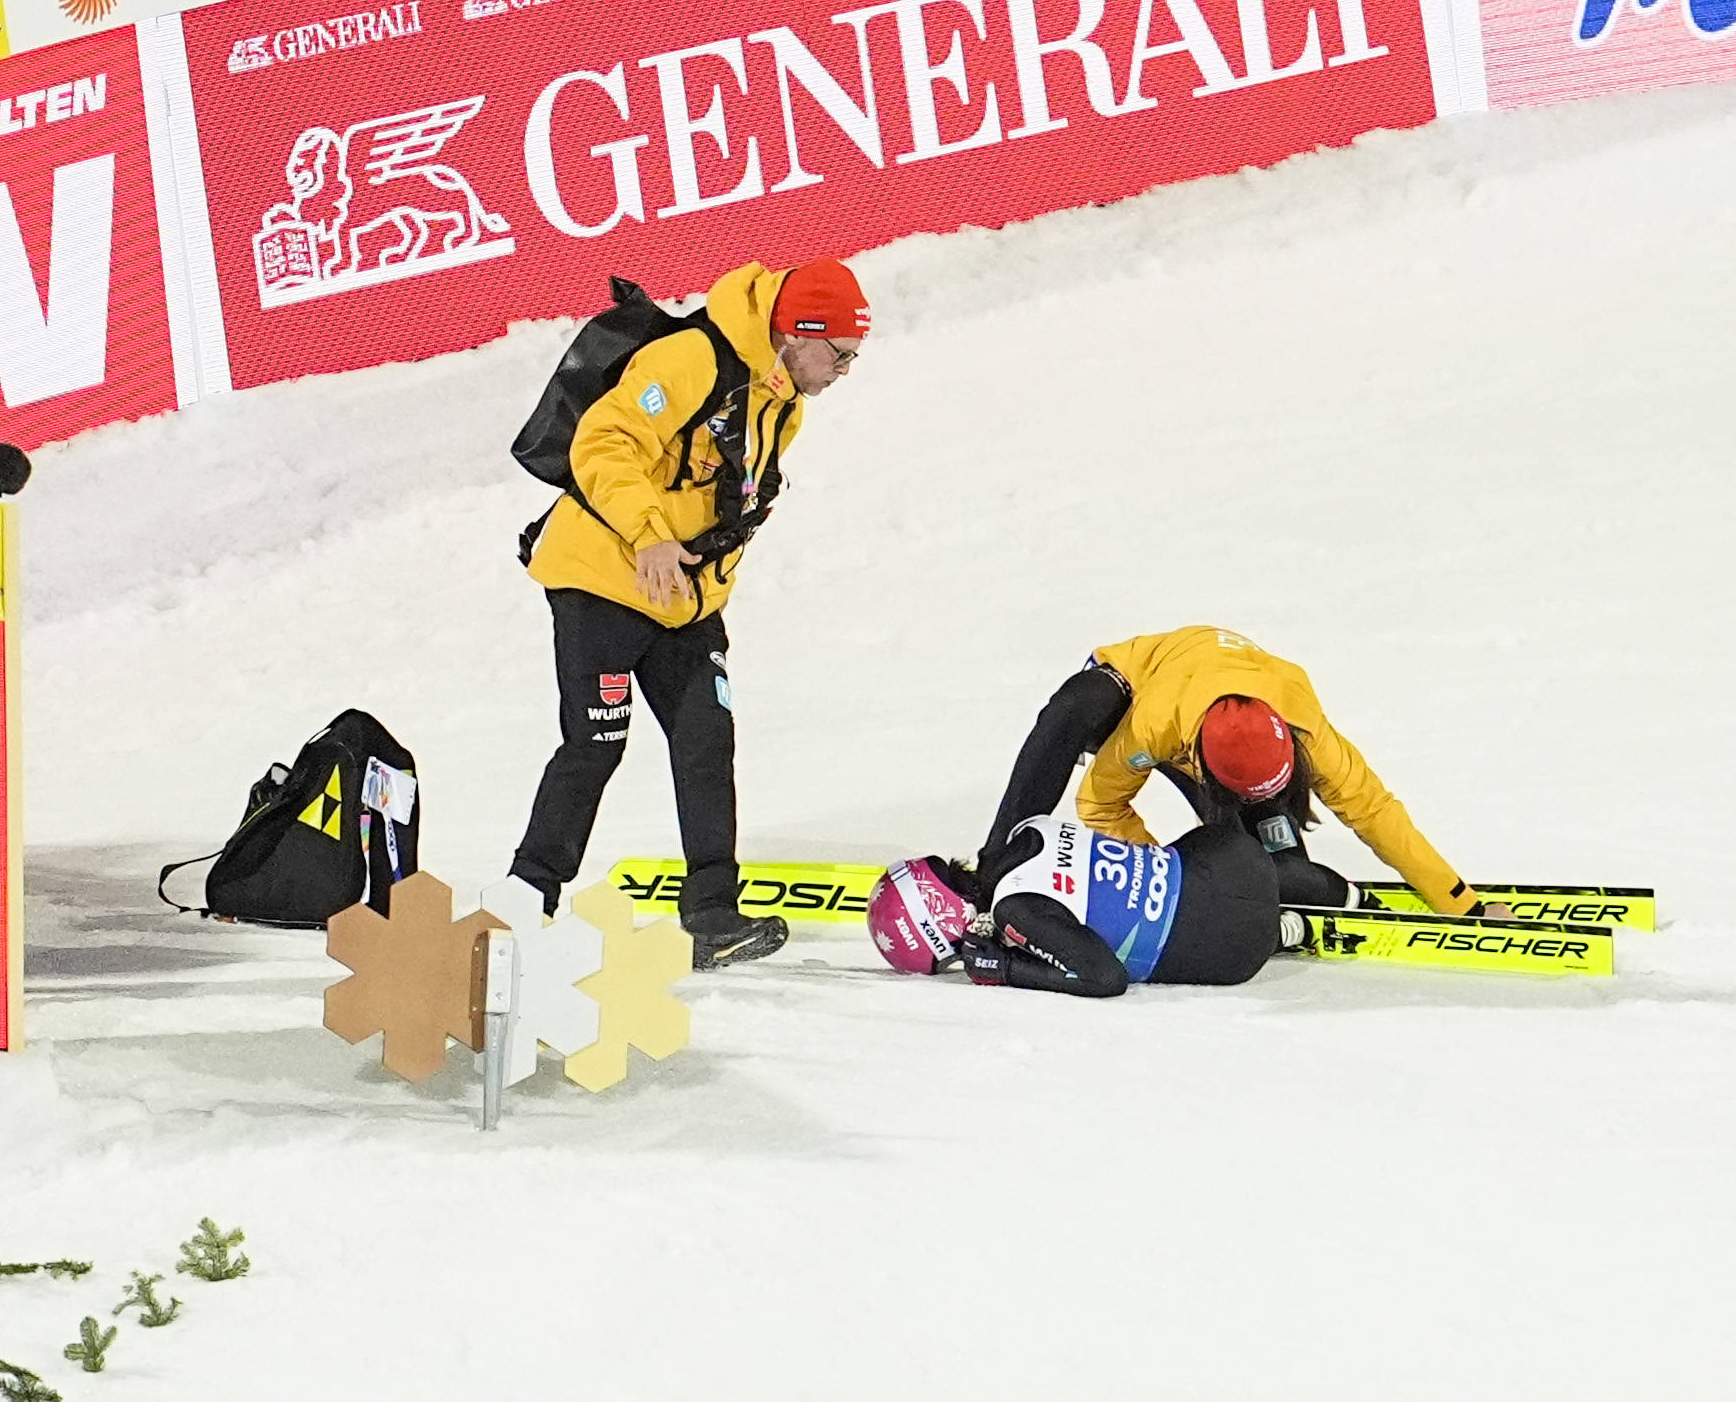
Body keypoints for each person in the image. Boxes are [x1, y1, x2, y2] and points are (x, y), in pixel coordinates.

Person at [508, 258, 869, 969]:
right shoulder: (691, 359)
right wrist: (650, 534)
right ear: (799, 333)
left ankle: (712, 915)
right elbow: (605, 442)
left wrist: (704, 582)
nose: (844, 371)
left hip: (681, 597)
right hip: (602, 579)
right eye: (841, 354)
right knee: (594, 747)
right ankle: (523, 902)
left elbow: (722, 498)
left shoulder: (781, 400)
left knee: (707, 741)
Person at [972, 625, 1502, 919]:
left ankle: (1304, 874)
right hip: (1137, 690)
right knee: (1071, 711)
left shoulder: (1308, 730)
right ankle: (991, 869)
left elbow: (1375, 811)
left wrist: (1461, 901)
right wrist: (1162, 882)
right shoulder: (1153, 728)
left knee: (1274, 873)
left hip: (1230, 722)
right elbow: (1100, 802)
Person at [869, 816, 1288, 999]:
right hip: (1237, 857)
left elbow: (1105, 978)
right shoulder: (1023, 834)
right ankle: (1332, 897)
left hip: (1234, 950)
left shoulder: (1015, 909)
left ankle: (1286, 932)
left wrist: (1007, 970)